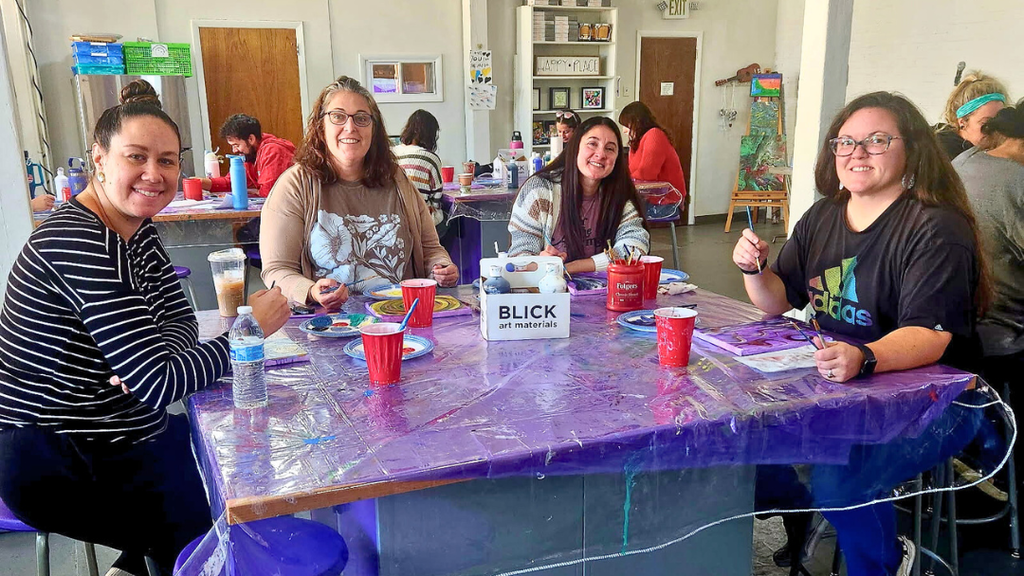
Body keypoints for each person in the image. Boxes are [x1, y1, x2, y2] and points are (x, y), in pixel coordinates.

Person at [0, 80, 290, 576]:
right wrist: (248, 332)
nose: (153, 175)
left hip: (122, 432)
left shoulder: (136, 230)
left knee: (225, 453)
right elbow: (158, 382)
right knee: (223, 503)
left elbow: (177, 321)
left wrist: (152, 360)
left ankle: (134, 561)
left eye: (168, 160)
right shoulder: (80, 242)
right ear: (100, 158)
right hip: (59, 457)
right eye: (136, 157)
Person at [735, 92, 990, 576]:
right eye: (845, 142)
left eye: (876, 141)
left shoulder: (936, 227)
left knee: (841, 480)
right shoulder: (823, 216)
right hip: (842, 386)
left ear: (911, 149)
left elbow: (931, 336)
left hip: (937, 401)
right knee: (744, 442)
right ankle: (808, 514)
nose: (857, 153)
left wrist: (864, 356)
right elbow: (778, 298)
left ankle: (886, 561)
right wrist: (754, 269)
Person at [259, 76, 458, 310]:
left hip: (397, 320)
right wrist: (310, 290)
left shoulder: (397, 181)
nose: (350, 127)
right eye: (338, 116)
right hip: (325, 325)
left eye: (362, 118)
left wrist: (441, 267)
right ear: (320, 127)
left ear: (374, 129)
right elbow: (276, 270)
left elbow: (430, 250)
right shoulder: (296, 185)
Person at [952, 106, 1024, 527]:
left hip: (954, 327)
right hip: (1000, 330)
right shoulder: (1016, 179)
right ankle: (995, 459)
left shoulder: (963, 163)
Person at [508, 116, 650, 274]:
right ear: (575, 147)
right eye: (592, 144)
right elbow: (519, 258)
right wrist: (539, 260)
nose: (601, 154)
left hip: (602, 292)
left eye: (610, 148)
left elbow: (634, 248)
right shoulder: (539, 190)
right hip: (548, 292)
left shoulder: (618, 196)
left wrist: (567, 268)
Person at [200, 113, 296, 198]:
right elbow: (232, 182)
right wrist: (201, 183)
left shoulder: (273, 151)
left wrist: (247, 193)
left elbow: (269, 193)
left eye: (236, 145)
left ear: (251, 139)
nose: (234, 151)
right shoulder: (251, 155)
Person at [618, 101, 687, 201]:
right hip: (650, 196)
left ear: (637, 122)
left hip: (666, 199)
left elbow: (646, 175)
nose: (624, 130)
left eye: (627, 126)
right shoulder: (637, 141)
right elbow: (632, 173)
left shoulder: (654, 135)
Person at [935, 71, 1009, 160]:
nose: (996, 131)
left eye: (1001, 122)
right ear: (962, 122)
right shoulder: (942, 156)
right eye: (986, 123)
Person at [393, 109, 445, 227]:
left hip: (393, 215)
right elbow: (437, 194)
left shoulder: (392, 153)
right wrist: (433, 206)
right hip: (418, 217)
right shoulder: (430, 158)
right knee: (447, 221)